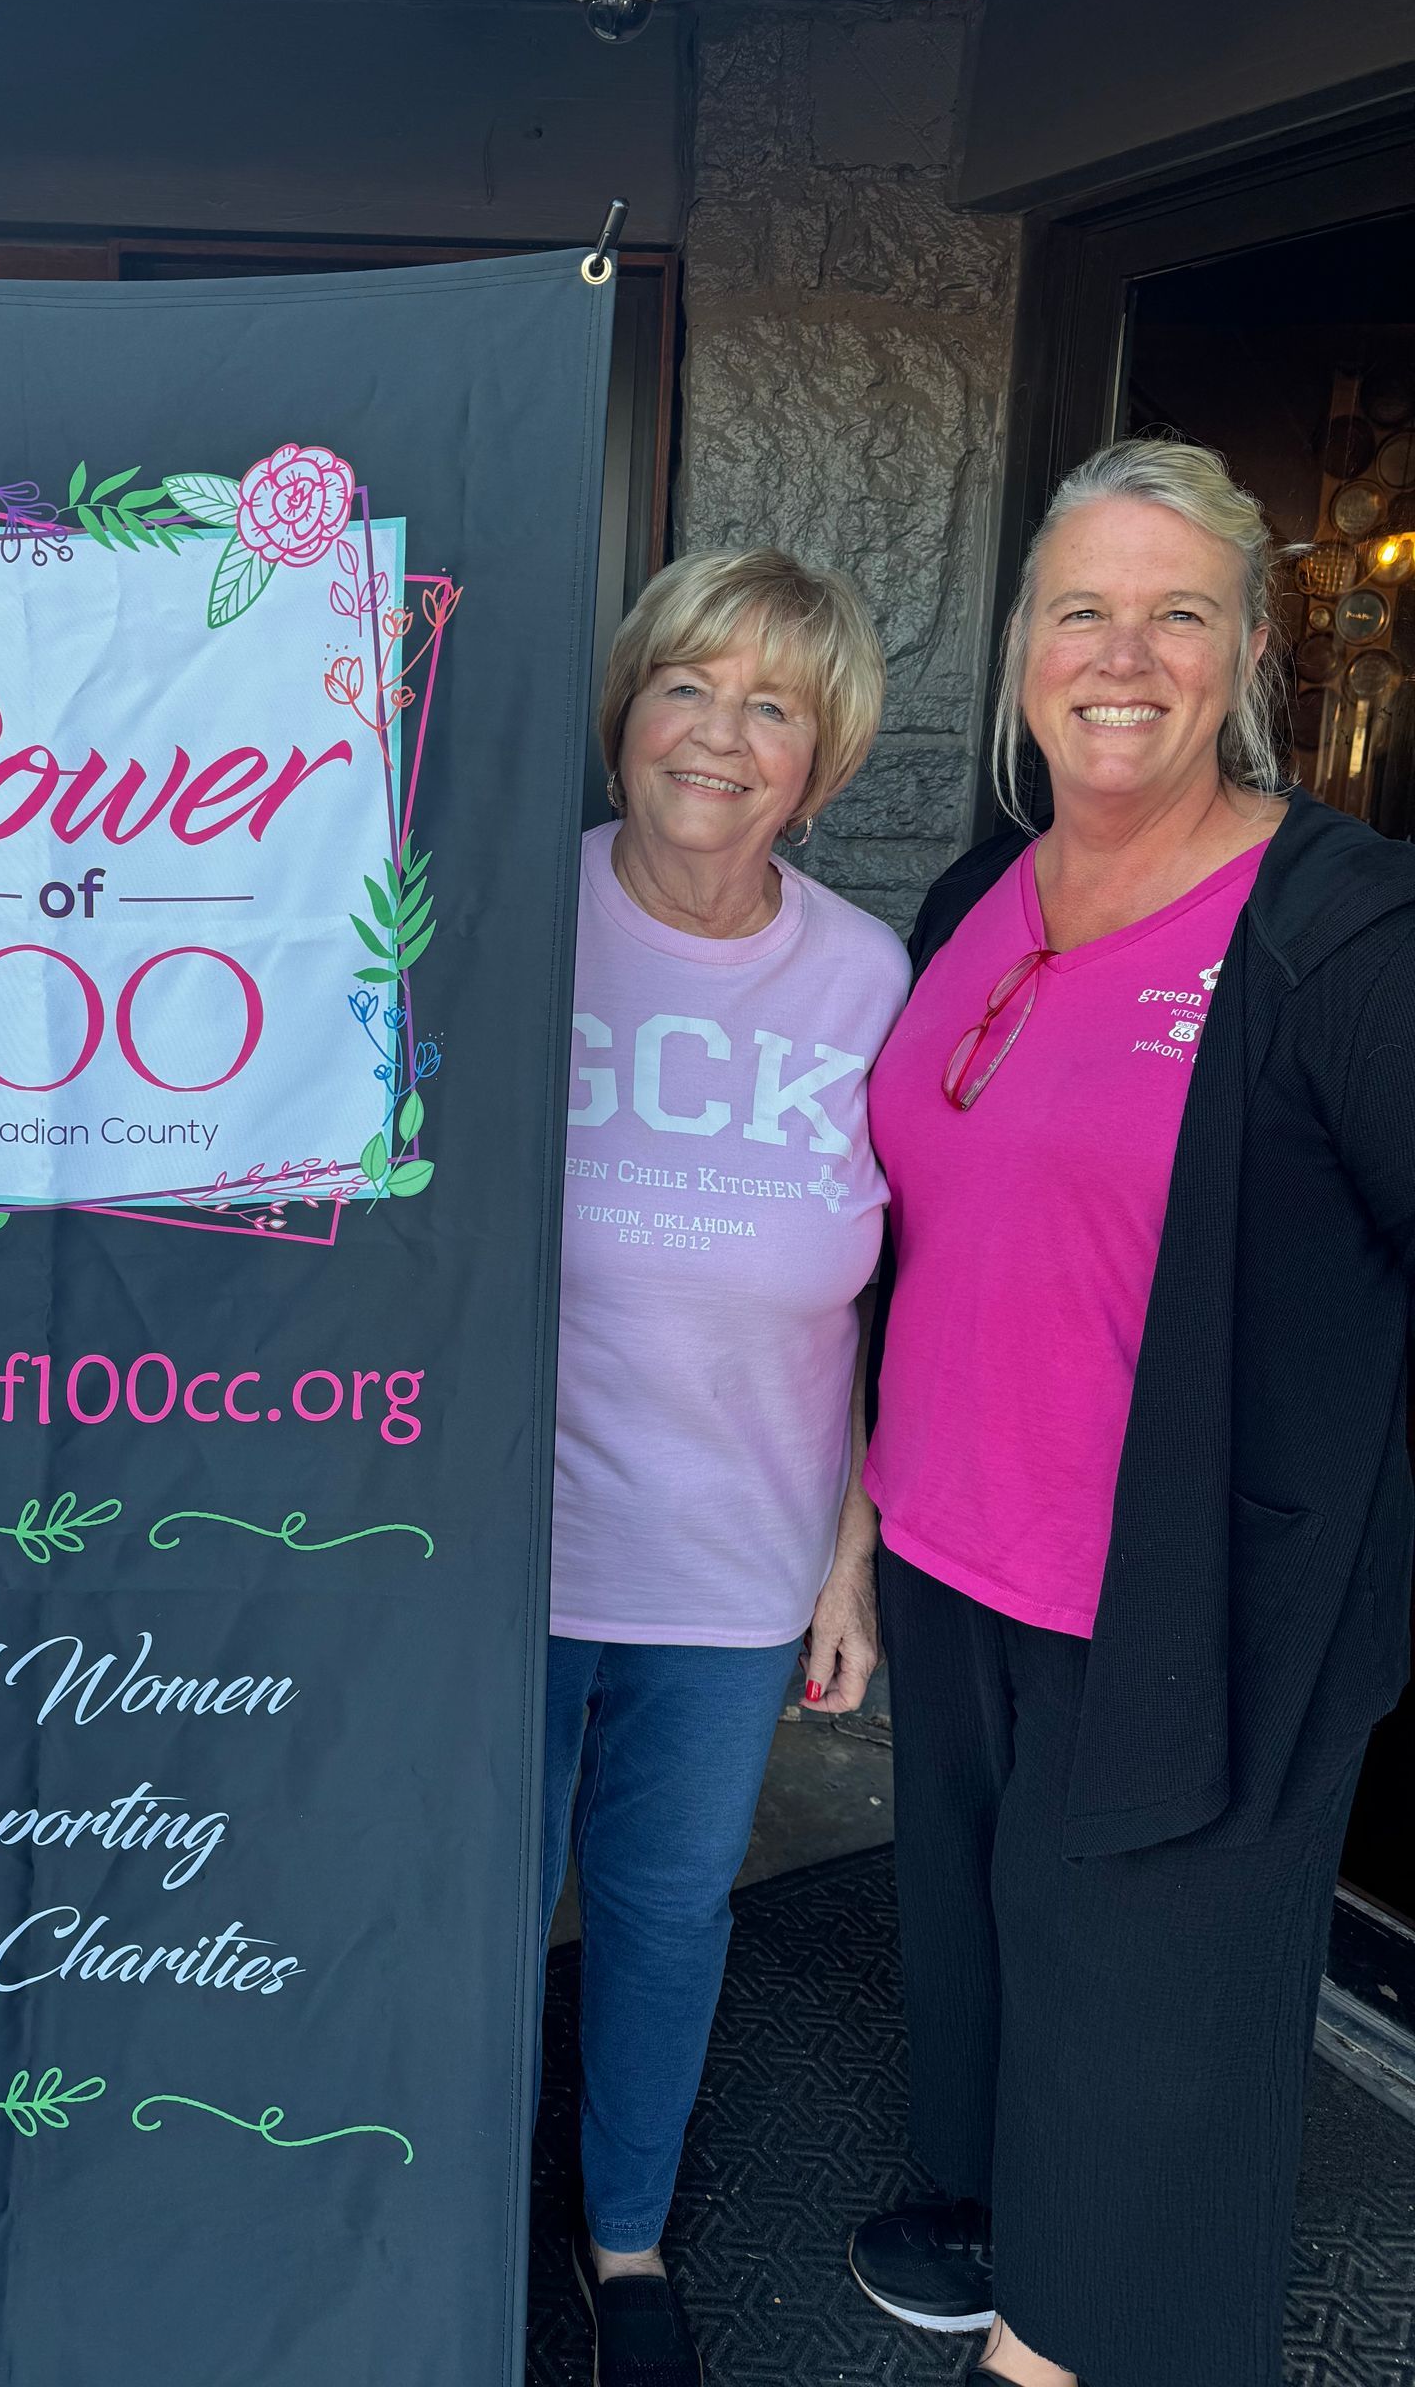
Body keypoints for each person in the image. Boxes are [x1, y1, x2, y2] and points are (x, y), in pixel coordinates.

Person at [847, 437, 1415, 2387]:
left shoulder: (1335, 930)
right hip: (952, 1560)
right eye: (1082, 606)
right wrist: (859, 1525)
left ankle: (1077, 2341)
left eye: (1179, 610)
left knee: (1151, 2058)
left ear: (1251, 645)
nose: (1124, 651)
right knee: (1001, 1981)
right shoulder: (980, 891)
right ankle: (1007, 2235)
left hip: (1188, 1614)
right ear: (1022, 644)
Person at [546, 546, 908, 2387]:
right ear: (627, 709)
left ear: (822, 765)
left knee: (669, 1916)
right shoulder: (496, 920)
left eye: (776, 705)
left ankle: (625, 2243)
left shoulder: (865, 975)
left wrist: (844, 1554)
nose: (720, 734)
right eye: (690, 683)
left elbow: (880, 1292)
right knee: (468, 1903)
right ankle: (428, 2208)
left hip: (731, 1562)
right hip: (492, 1560)